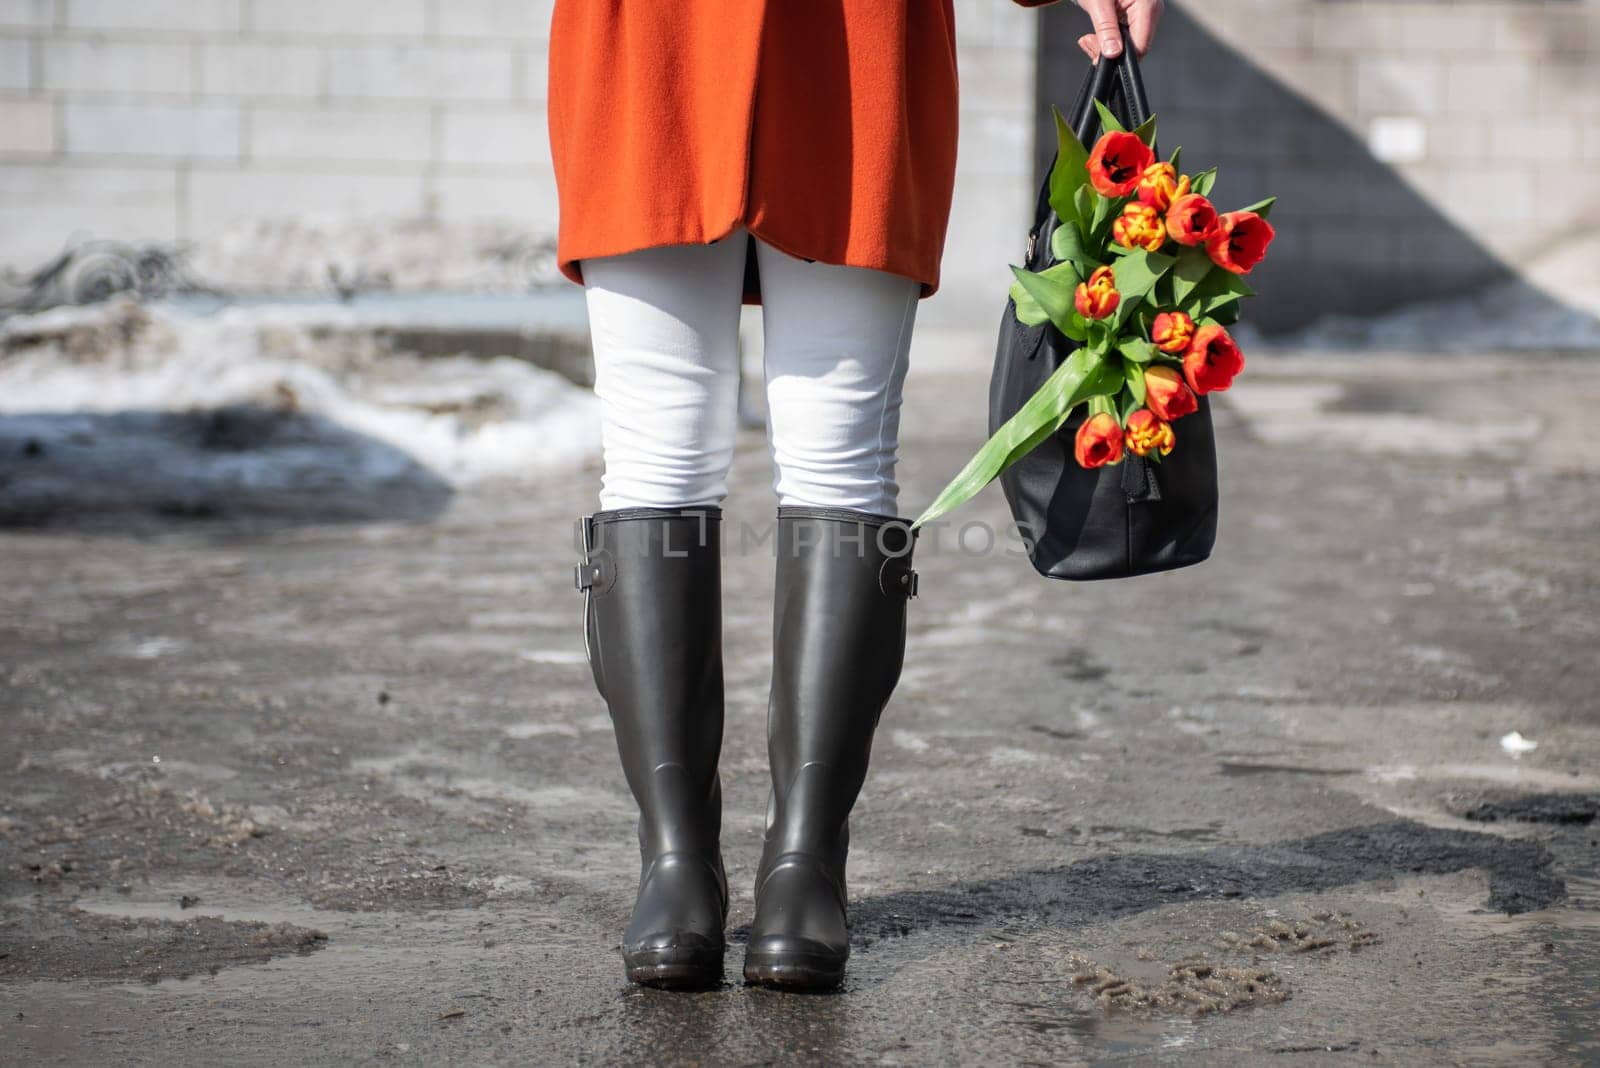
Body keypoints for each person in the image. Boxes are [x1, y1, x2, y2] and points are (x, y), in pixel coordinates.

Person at [550, 0, 1163, 992]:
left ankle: (803, 862)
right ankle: (674, 861)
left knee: (837, 460)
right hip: (652, 40)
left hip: (853, 40)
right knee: (655, 455)